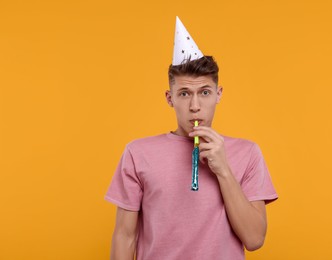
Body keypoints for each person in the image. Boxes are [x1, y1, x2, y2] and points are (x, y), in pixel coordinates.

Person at [105, 17, 278, 260]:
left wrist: (224, 170)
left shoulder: (248, 153)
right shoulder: (138, 153)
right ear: (169, 98)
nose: (195, 106)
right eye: (184, 93)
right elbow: (125, 236)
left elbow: (254, 239)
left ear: (218, 95)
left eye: (204, 93)